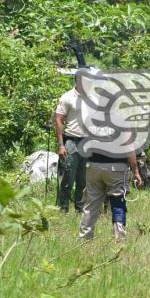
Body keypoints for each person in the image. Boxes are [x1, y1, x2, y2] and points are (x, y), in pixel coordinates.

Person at [79, 149, 143, 241]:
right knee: (118, 204)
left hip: (93, 165)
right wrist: (136, 172)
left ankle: (84, 238)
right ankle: (119, 238)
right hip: (116, 167)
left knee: (91, 205)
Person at [55, 72, 89, 213]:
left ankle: (80, 208)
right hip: (72, 141)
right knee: (69, 176)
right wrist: (61, 145)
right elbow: (58, 119)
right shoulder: (68, 97)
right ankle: (63, 207)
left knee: (83, 178)